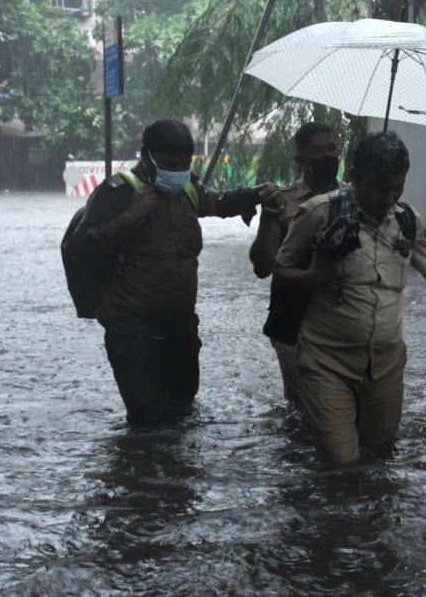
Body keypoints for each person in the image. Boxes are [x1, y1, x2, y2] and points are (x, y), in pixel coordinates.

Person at [273, 131, 426, 465]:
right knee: (341, 462)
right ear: (355, 176)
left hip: (385, 366)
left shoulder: (406, 221)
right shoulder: (319, 214)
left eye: (395, 188)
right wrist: (316, 275)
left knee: (378, 456)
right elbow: (280, 271)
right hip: (326, 363)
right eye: (376, 188)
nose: (385, 198)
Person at [67, 119, 273, 426]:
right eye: (167, 164)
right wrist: (128, 216)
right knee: (146, 421)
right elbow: (80, 249)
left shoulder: (187, 189)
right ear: (146, 156)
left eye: (183, 164)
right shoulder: (116, 193)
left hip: (181, 330)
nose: (176, 171)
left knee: (183, 413)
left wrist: (257, 194)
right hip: (133, 332)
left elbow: (218, 202)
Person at [250, 121, 341, 403]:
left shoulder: (356, 199)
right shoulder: (284, 202)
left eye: (332, 148)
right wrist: (268, 217)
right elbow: (263, 268)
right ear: (300, 160)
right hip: (295, 323)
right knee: (302, 407)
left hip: (345, 320)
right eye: (317, 151)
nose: (327, 156)